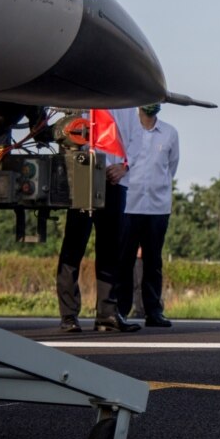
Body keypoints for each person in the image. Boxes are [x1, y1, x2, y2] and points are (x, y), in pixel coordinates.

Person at [56, 108, 139, 333]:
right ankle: (69, 315)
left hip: (114, 179)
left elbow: (135, 139)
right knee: (74, 245)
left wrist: (124, 166)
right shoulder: (82, 95)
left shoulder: (126, 103)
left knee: (110, 249)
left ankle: (107, 314)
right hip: (83, 172)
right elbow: (64, 130)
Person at [115, 104, 180, 328]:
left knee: (154, 262)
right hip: (130, 204)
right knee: (124, 261)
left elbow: (172, 167)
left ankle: (153, 311)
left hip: (157, 207)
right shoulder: (128, 131)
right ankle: (120, 310)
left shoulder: (170, 133)